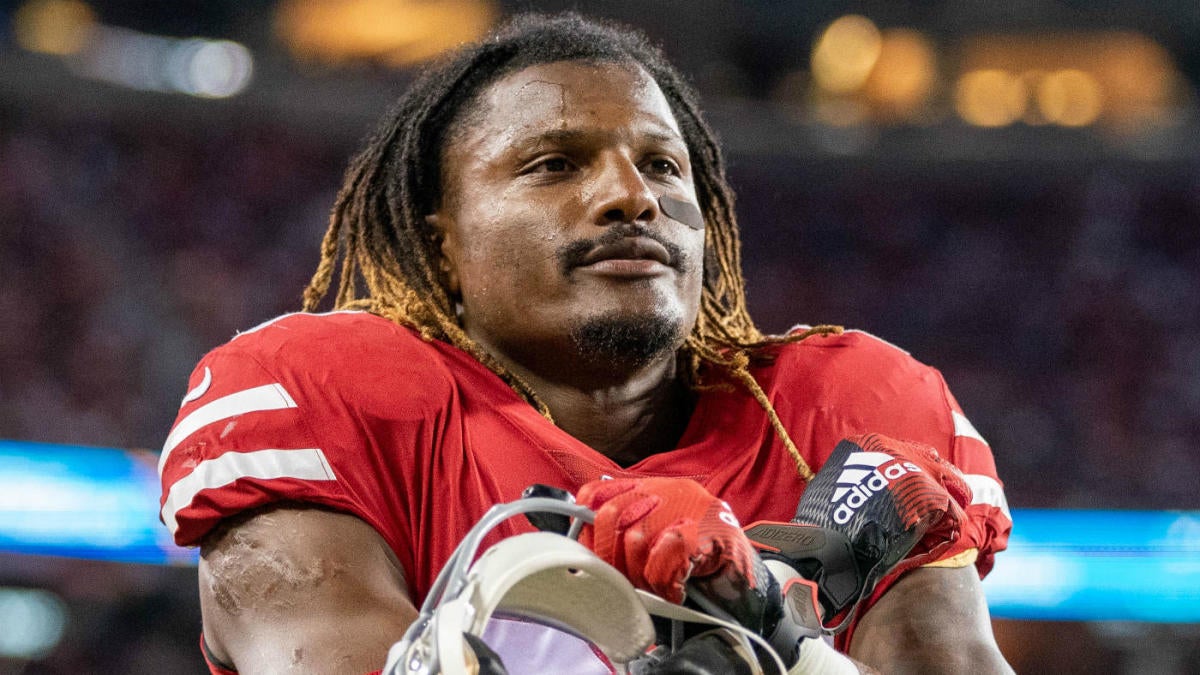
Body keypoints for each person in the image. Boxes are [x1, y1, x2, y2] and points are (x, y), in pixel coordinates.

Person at [158, 12, 1013, 674]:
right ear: (441, 243)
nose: (630, 196)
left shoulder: (849, 413)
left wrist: (776, 610)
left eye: (663, 165)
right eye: (554, 164)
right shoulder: (315, 391)